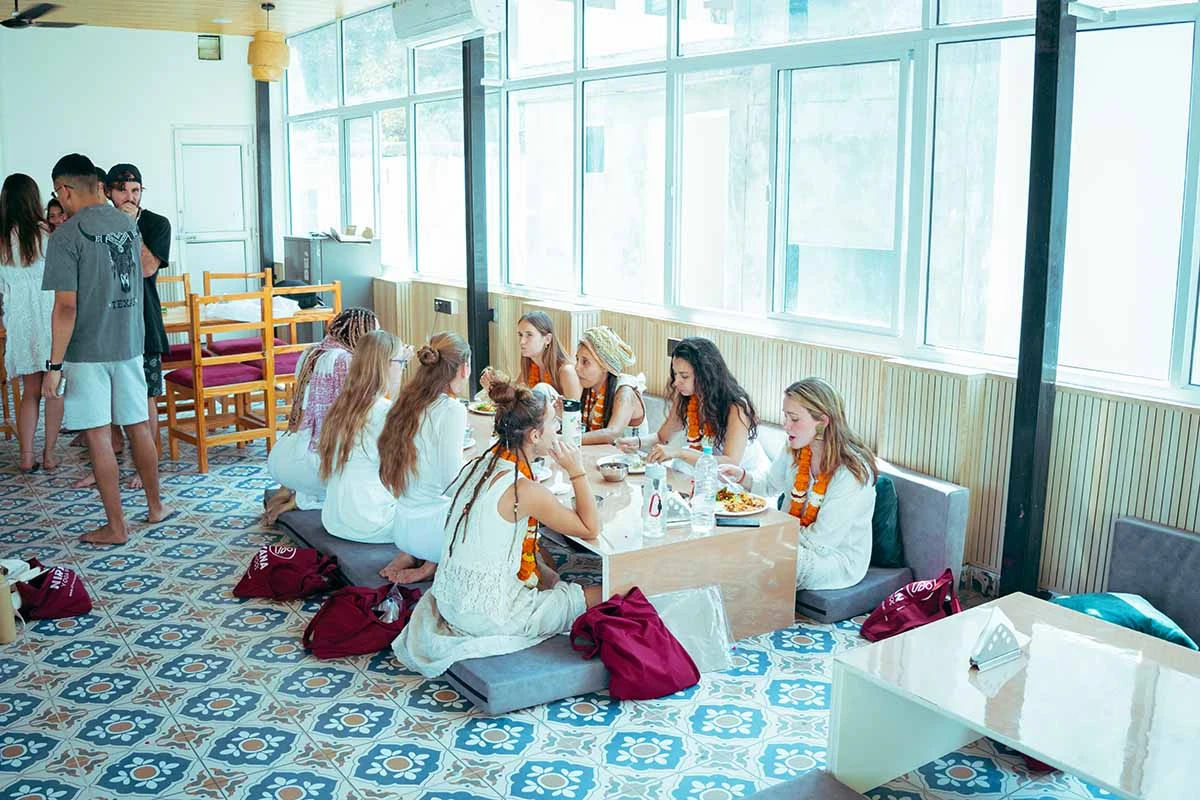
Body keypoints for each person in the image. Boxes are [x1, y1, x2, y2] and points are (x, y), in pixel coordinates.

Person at [392, 379, 602, 678]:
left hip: (452, 603)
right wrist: (576, 469)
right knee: (608, 592)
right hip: (490, 617)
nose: (558, 431)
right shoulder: (524, 489)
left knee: (547, 564)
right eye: (555, 425)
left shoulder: (481, 464)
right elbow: (590, 527)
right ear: (535, 435)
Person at [41, 154, 167, 544]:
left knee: (98, 434)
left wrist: (54, 364)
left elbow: (66, 306)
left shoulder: (65, 236)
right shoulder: (129, 226)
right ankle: (156, 506)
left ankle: (116, 526)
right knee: (138, 426)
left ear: (63, 190)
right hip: (130, 342)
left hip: (87, 350)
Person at [719, 378, 877, 590]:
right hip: (789, 538)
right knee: (729, 542)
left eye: (794, 418)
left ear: (822, 421)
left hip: (833, 558)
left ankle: (747, 615)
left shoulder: (851, 472)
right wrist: (741, 476)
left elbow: (821, 542)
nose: (786, 426)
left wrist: (768, 536)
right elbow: (768, 485)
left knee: (761, 556)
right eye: (785, 416)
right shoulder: (796, 448)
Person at [74, 164, 173, 490]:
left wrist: (130, 227)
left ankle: (144, 468)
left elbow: (146, 268)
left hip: (142, 323)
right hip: (101, 324)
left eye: (136, 191)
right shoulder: (94, 226)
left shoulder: (156, 223)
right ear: (108, 192)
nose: (130, 197)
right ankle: (106, 466)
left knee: (144, 399)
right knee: (101, 403)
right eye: (122, 191)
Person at [264, 307, 379, 524]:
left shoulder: (312, 351)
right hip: (311, 462)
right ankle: (302, 499)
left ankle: (288, 489)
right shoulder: (343, 360)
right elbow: (352, 412)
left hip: (285, 451)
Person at [376, 332, 471, 583]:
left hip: (404, 528)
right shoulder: (452, 410)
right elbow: (451, 482)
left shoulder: (406, 401)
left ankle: (413, 556)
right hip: (433, 535)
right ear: (464, 368)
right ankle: (431, 565)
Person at [617, 336, 767, 475]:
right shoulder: (685, 395)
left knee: (679, 462)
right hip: (708, 470)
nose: (676, 382)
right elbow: (661, 437)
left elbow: (731, 462)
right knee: (675, 467)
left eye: (684, 376)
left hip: (742, 477)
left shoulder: (737, 407)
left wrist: (679, 452)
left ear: (706, 374)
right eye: (675, 374)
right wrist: (635, 443)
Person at [317, 329, 408, 545]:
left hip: (334, 518)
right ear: (386, 365)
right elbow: (403, 471)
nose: (403, 369)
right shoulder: (382, 411)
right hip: (370, 522)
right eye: (401, 362)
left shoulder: (342, 405)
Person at [0, 173, 63, 473]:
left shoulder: (1, 239)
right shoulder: (46, 233)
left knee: (30, 392)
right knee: (54, 389)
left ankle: (26, 457)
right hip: (50, 318)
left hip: (21, 322)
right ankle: (49, 455)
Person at [480, 311, 580, 401]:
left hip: (561, 421)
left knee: (542, 389)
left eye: (529, 335)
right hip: (538, 420)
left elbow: (574, 416)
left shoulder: (567, 371)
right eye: (520, 335)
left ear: (547, 339)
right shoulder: (529, 366)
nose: (522, 341)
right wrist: (494, 386)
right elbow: (514, 396)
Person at [575, 325, 645, 445]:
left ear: (604, 366)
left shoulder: (625, 392)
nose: (577, 368)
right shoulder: (589, 388)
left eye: (585, 362)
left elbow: (612, 434)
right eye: (577, 360)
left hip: (632, 461)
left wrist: (570, 439)